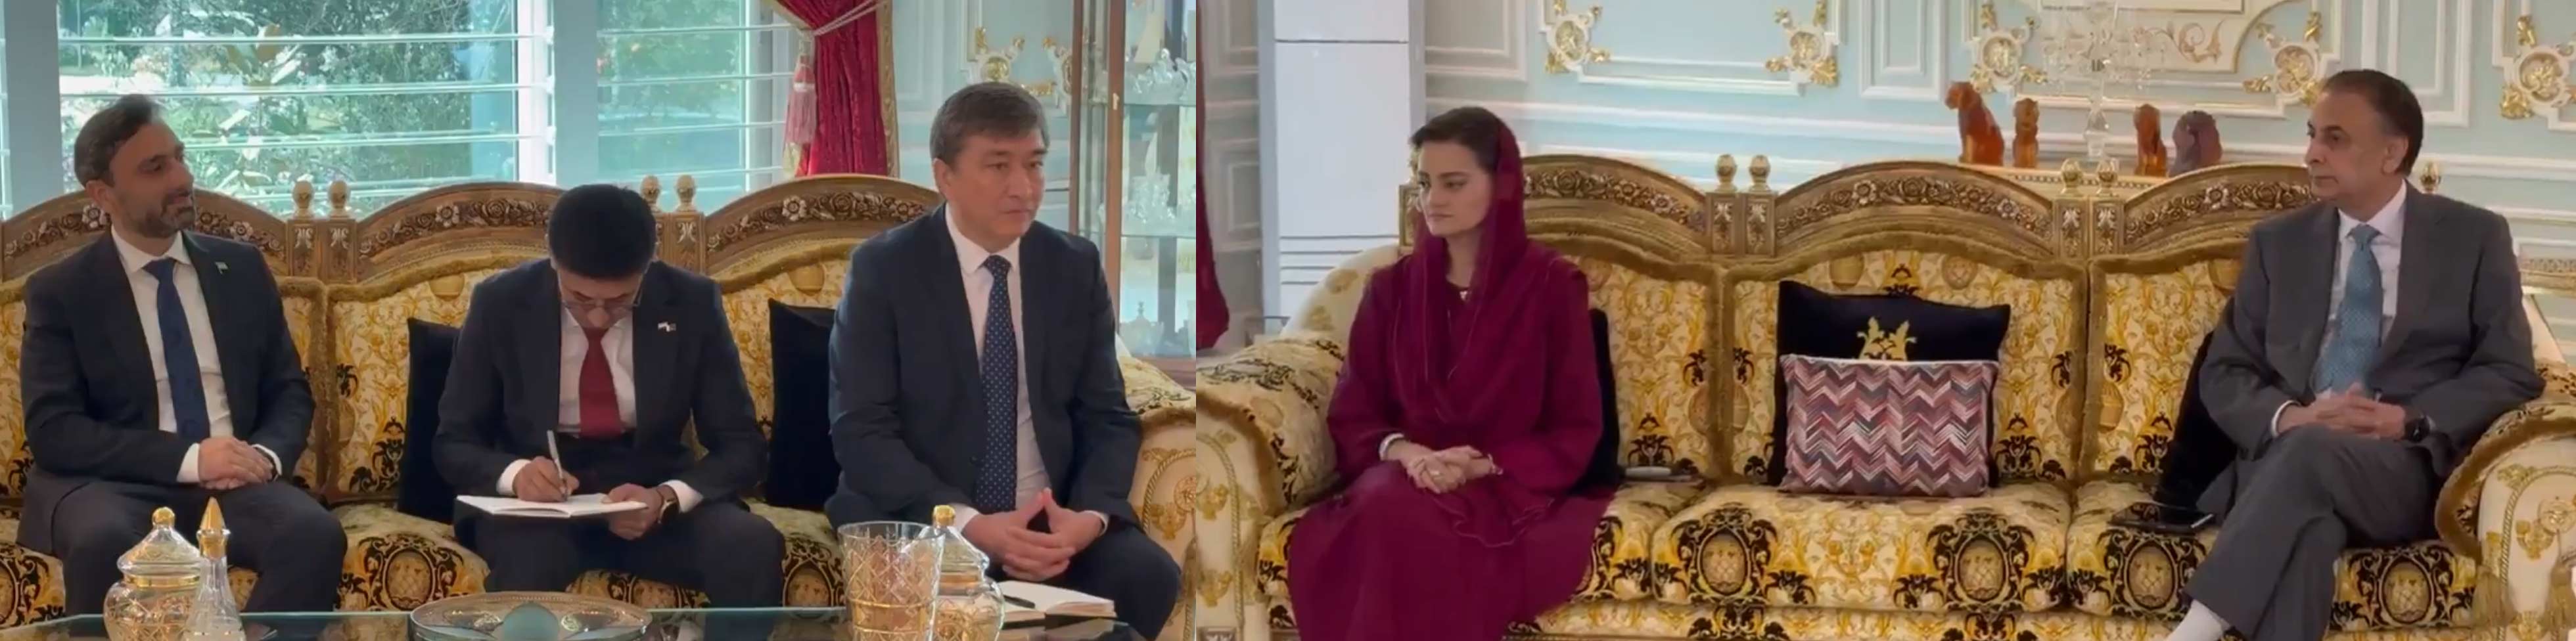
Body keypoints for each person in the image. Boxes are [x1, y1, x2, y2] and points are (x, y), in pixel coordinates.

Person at [2180, 69, 2541, 641]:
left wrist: (2409, 419)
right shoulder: (2279, 242)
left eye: (2335, 138)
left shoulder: (2473, 238)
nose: (2312, 154)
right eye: (2311, 135)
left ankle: (2197, 627)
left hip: (2396, 467)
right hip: (2284, 462)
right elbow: (2227, 368)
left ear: (2392, 153)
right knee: (2310, 530)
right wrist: (2291, 417)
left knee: (2310, 456)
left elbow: (2510, 371)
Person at [825, 82, 1177, 637]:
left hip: (1050, 524)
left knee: (1148, 576)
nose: (1024, 188)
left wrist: (1087, 518)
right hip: (923, 521)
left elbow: (1107, 415)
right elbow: (861, 430)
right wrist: (970, 525)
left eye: (1034, 164)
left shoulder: (1073, 266)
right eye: (998, 166)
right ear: (945, 177)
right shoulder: (885, 270)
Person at [1285, 106, 1613, 641]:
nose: (1432, 199)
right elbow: (1355, 412)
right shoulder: (1390, 290)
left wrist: (1480, 464)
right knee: (1385, 505)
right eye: (1424, 183)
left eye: (1454, 183)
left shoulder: (1553, 287)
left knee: (1403, 519)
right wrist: (1410, 454)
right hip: (1403, 473)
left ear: (1501, 186)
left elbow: (1576, 426)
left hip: (1504, 482)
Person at [20, 94, 342, 614]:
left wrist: (261, 458)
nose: (182, 178)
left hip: (236, 484)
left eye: (180, 157)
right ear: (103, 193)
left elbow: (288, 391)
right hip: (114, 487)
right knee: (104, 543)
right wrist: (191, 459)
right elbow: (55, 430)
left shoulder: (241, 269)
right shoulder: (63, 291)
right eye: (155, 168)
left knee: (314, 534)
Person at [434, 184, 783, 606]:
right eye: (579, 300)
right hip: (538, 508)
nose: (599, 317)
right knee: (532, 565)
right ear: (553, 262)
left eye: (621, 301)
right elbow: (453, 442)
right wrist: (518, 474)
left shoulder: (692, 302)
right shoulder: (500, 302)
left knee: (751, 546)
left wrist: (667, 498)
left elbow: (742, 446)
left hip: (649, 491)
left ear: (648, 268)